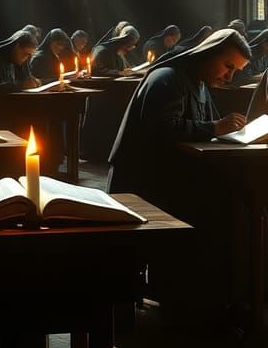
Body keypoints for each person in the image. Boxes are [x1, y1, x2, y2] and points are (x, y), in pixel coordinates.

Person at [107, 28, 251, 214]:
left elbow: (212, 126)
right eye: (228, 66)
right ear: (208, 53)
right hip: (146, 183)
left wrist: (234, 130)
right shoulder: (166, 78)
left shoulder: (199, 83)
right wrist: (216, 127)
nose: (229, 77)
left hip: (173, 177)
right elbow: (163, 130)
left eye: (236, 71)